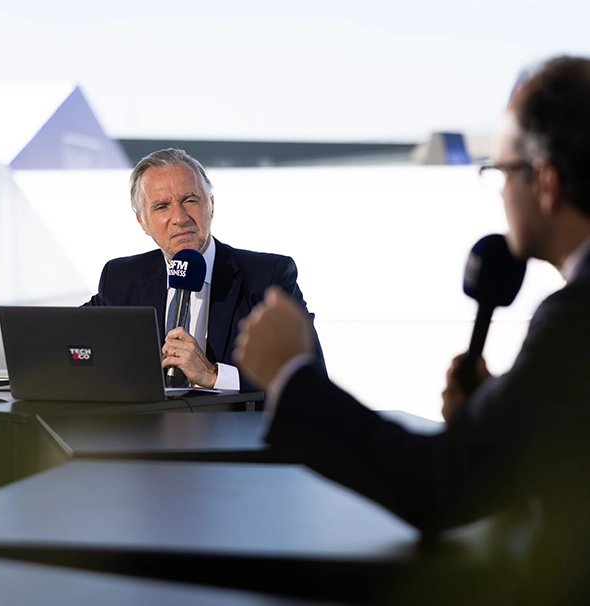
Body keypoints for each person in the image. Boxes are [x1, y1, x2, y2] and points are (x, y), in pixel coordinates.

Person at [233, 56, 590, 604]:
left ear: (545, 183)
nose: (499, 193)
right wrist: (499, 413)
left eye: (501, 172)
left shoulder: (575, 316)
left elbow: (439, 486)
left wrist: (291, 375)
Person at [85, 148, 323, 392]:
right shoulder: (121, 278)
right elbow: (71, 340)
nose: (180, 218)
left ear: (211, 205)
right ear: (142, 222)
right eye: (162, 207)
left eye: (190, 200)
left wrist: (213, 374)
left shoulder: (268, 278)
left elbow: (310, 379)